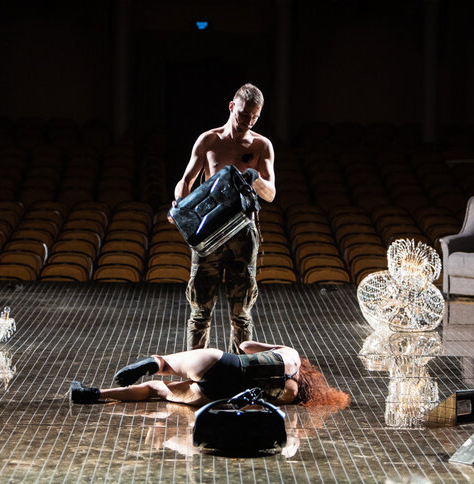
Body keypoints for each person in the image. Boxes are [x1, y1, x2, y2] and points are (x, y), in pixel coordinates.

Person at [169, 83, 276, 354]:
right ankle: (197, 372)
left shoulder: (262, 145)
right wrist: (181, 207)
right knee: (200, 312)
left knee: (241, 315)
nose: (247, 122)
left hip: (243, 231)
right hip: (210, 230)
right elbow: (186, 180)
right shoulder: (210, 140)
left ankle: (239, 372)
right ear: (232, 107)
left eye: (254, 117)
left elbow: (271, 193)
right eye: (243, 115)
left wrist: (255, 178)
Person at [70, 340, 350, 408]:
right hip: (218, 395)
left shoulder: (290, 354)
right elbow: (254, 403)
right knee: (157, 390)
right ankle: (91, 395)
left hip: (223, 363)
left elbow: (245, 346)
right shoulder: (289, 397)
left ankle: (154, 362)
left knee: (167, 364)